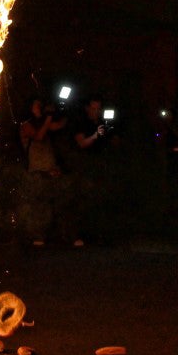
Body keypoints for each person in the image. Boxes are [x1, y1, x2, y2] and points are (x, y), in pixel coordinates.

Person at [18, 96, 71, 247]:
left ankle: (58, 236)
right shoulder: (25, 125)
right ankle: (37, 237)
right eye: (36, 105)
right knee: (39, 205)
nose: (39, 107)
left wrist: (64, 109)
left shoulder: (45, 123)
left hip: (51, 171)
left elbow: (60, 125)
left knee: (56, 204)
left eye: (40, 105)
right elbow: (39, 136)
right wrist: (47, 117)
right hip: (36, 172)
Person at [69, 94, 112, 246]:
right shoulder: (81, 123)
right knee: (83, 201)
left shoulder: (102, 123)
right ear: (87, 108)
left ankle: (97, 235)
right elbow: (81, 143)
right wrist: (95, 135)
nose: (96, 111)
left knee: (99, 200)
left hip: (100, 166)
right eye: (93, 108)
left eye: (98, 109)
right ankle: (78, 236)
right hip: (85, 167)